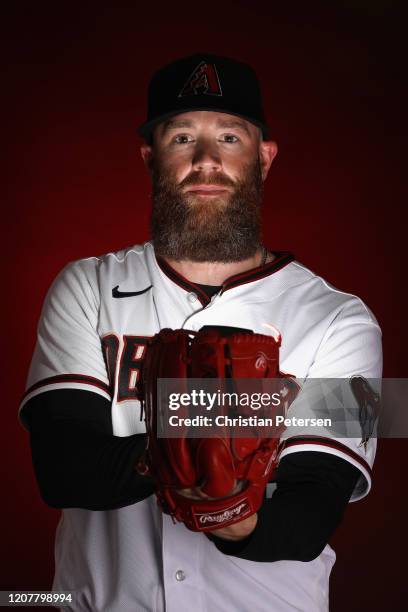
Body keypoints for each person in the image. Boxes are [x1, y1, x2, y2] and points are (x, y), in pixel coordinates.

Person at [20, 53, 382, 611]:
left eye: (231, 138)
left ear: (264, 158)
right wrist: (221, 437)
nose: (207, 160)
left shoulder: (342, 320)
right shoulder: (86, 287)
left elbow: (312, 511)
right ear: (150, 158)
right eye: (183, 137)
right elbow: (64, 471)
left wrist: (223, 508)